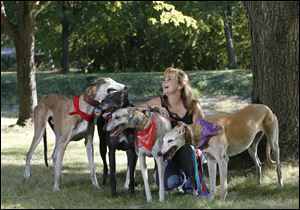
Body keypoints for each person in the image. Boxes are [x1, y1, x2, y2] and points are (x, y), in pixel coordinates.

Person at [137, 66, 205, 194]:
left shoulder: (193, 105)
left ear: (180, 85)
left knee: (188, 150)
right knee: (169, 184)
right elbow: (135, 110)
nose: (164, 82)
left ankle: (192, 182)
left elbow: (202, 131)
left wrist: (185, 129)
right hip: (166, 153)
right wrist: (154, 109)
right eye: (164, 79)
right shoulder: (159, 101)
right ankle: (178, 178)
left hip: (187, 151)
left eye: (169, 79)